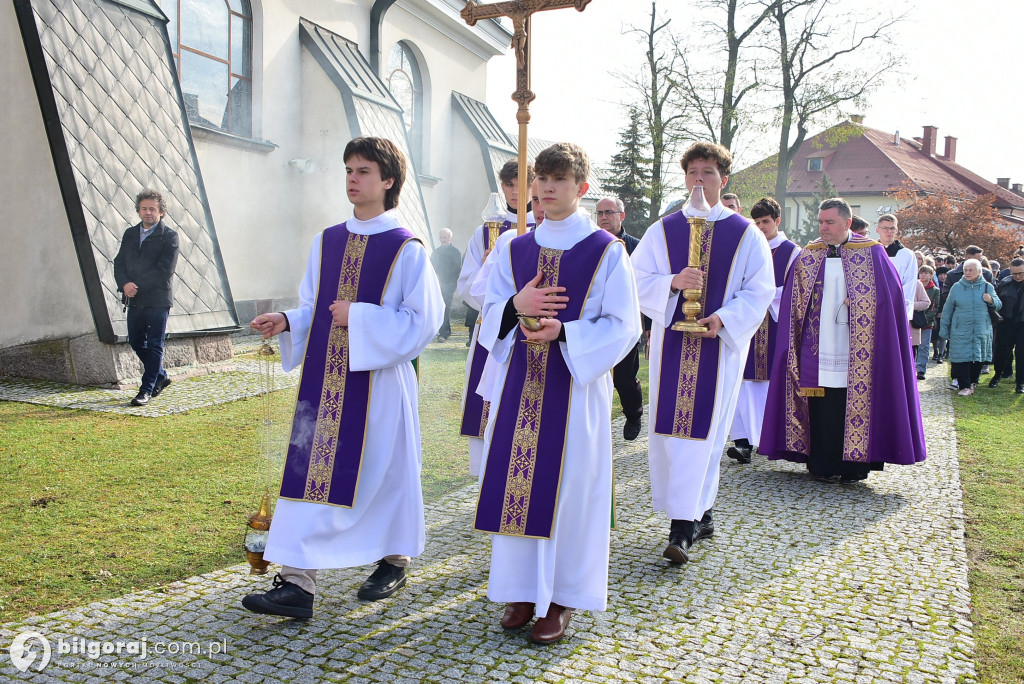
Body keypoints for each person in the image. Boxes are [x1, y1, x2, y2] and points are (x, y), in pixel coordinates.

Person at [241, 137, 444, 618]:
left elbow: (424, 321)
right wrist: (289, 320)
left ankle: (393, 560)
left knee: (384, 475)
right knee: (308, 474)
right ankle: (296, 583)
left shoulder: (406, 249)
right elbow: (315, 304)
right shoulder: (327, 240)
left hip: (378, 388)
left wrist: (363, 317)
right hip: (322, 383)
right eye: (348, 169)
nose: (352, 179)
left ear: (388, 181)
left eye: (364, 171)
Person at [474, 142, 640, 644]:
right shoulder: (514, 247)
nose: (547, 188)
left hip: (574, 390)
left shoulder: (606, 250)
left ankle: (564, 597)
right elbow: (489, 312)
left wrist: (566, 333)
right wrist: (514, 306)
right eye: (541, 179)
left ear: (582, 188)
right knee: (517, 485)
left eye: (559, 180)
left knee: (570, 491)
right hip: (519, 384)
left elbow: (624, 323)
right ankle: (522, 590)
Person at [632, 142, 774, 564]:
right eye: (692, 171)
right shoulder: (664, 229)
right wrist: (672, 282)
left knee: (706, 435)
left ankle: (685, 525)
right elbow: (634, 279)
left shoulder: (744, 233)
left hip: (718, 351)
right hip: (671, 346)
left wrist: (725, 318)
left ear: (723, 179)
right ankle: (698, 513)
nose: (699, 179)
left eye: (708, 172)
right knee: (673, 433)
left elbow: (759, 289)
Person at [761, 198, 927, 483]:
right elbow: (792, 301)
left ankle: (854, 467)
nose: (823, 228)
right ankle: (822, 463)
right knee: (823, 404)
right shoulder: (809, 255)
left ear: (848, 223)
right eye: (820, 222)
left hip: (859, 348)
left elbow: (891, 299)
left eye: (830, 222)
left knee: (855, 400)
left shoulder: (873, 253)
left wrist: (863, 301)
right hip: (818, 345)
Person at [456, 160, 536, 477]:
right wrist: (487, 273)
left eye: (522, 184)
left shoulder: (547, 226)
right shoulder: (487, 231)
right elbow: (466, 284)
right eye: (508, 184)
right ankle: (485, 475)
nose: (515, 191)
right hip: (494, 330)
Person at [727, 196, 800, 464]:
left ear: (777, 221)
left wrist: (765, 295)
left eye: (765, 222)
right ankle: (742, 442)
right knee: (741, 384)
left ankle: (768, 439)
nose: (760, 227)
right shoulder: (747, 248)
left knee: (770, 385)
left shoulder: (792, 251)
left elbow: (798, 291)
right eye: (756, 222)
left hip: (775, 324)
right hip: (746, 324)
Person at [113, 189, 179, 407]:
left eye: (152, 209)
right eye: (144, 209)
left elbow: (164, 271)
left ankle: (146, 389)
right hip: (134, 299)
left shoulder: (169, 237)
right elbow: (119, 262)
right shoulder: (130, 234)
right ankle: (161, 375)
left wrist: (136, 286)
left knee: (154, 344)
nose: (148, 212)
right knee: (135, 340)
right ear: (138, 211)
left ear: (161, 212)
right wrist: (124, 284)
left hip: (158, 300)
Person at [596, 195, 645, 440]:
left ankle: (634, 414)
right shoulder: (589, 245)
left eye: (609, 212)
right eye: (600, 213)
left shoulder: (637, 247)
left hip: (626, 321)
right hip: (594, 321)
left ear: (621, 216)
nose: (604, 217)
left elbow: (645, 286)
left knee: (624, 376)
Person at [938, 259, 1001, 396]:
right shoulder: (956, 287)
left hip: (981, 328)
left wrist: (990, 300)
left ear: (979, 271)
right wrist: (944, 329)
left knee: (978, 357)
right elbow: (948, 309)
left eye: (971, 270)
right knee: (961, 358)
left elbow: (999, 304)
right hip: (960, 328)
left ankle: (972, 383)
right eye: (966, 270)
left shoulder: (987, 286)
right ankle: (965, 386)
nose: (967, 272)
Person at [875, 214, 917, 321]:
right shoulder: (871, 252)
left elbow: (910, 282)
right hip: (874, 305)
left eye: (892, 228)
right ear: (877, 230)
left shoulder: (907, 255)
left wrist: (902, 307)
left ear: (896, 230)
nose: (889, 232)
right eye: (885, 228)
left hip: (897, 306)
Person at [991, 258, 1024, 393]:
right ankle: (997, 375)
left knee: (1022, 353)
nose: (1017, 276)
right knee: (1002, 351)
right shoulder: (1004, 283)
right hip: (1006, 322)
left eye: (1020, 273)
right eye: (1014, 273)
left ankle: (1020, 383)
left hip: (1022, 323)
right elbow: (997, 303)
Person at [430, 228, 462, 342]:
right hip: (438, 284)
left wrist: (447, 282)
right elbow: (431, 267)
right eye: (441, 237)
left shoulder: (455, 252)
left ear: (450, 238)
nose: (443, 240)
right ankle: (439, 330)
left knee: (445, 307)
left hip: (449, 284)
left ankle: (444, 333)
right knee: (438, 307)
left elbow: (456, 269)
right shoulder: (436, 252)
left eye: (445, 237)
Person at [915, 265, 940, 380]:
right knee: (913, 345)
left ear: (931, 275)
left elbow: (934, 307)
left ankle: (921, 369)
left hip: (927, 323)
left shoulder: (934, 290)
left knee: (924, 346)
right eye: (921, 273)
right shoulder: (914, 285)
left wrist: (926, 318)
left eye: (926, 273)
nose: (923, 275)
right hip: (914, 320)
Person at [932, 265, 950, 362]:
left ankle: (941, 353)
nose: (943, 277)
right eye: (941, 275)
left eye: (944, 274)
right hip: (935, 311)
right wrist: (936, 313)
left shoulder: (949, 286)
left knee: (943, 334)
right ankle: (935, 350)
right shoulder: (935, 285)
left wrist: (944, 313)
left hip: (945, 312)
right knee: (935, 333)